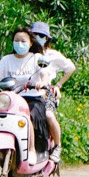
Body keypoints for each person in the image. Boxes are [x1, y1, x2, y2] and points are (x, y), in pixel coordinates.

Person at [0, 26, 59, 159]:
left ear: (31, 43)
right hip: (12, 99)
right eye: (16, 40)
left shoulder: (36, 58)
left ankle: (31, 150)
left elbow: (45, 75)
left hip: (33, 98)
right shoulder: (6, 60)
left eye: (23, 41)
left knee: (27, 117)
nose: (19, 44)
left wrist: (42, 83)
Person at [27, 21, 73, 160]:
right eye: (34, 35)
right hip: (25, 91)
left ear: (46, 38)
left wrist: (58, 85)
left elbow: (70, 68)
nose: (37, 38)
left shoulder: (52, 55)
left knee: (49, 115)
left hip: (46, 91)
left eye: (41, 35)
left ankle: (57, 146)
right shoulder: (25, 54)